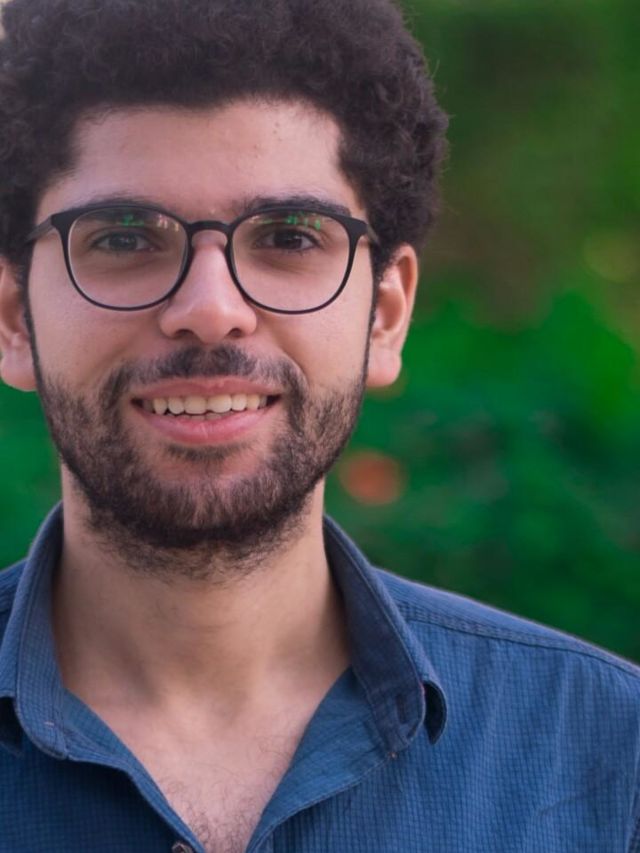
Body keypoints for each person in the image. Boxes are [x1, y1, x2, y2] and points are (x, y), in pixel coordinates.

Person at [0, 0, 638, 850]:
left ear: (385, 315)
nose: (211, 309)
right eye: (122, 238)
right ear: (14, 318)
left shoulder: (607, 755)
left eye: (290, 237)